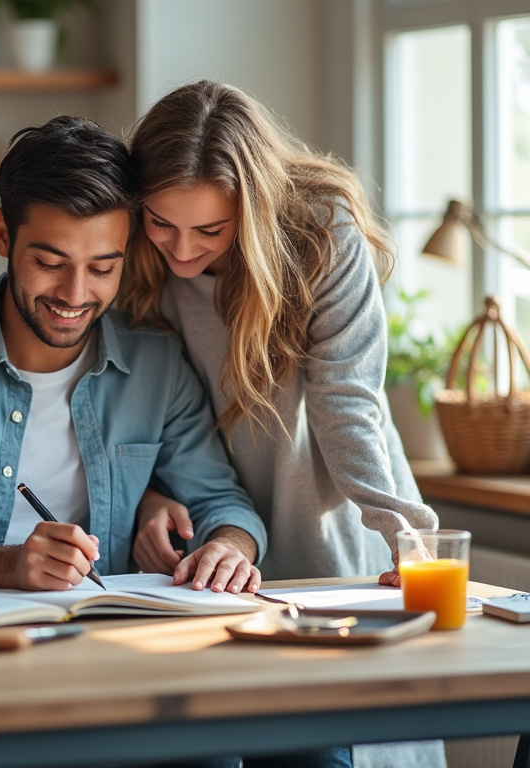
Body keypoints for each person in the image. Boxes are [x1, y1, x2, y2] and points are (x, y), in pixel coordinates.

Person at [0, 115, 268, 595]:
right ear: (3, 235)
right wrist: (10, 565)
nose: (75, 294)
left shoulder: (157, 366)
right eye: (49, 263)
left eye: (103, 268)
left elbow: (221, 502)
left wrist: (229, 546)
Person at [120, 80, 438, 588]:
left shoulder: (323, 237)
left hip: (335, 526)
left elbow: (347, 404)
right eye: (162, 223)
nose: (180, 251)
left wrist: (402, 533)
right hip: (209, 545)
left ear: (251, 212)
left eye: (210, 231)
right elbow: (141, 406)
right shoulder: (131, 253)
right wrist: (152, 495)